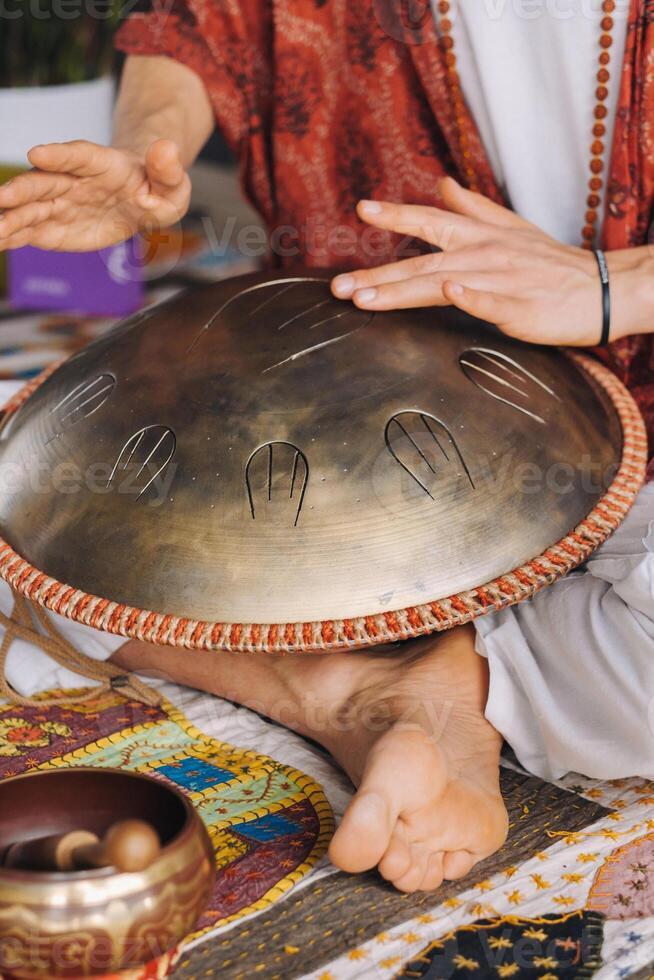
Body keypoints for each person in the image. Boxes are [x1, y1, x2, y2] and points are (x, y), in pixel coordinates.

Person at [0, 0, 653, 894]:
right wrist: (147, 151)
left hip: (632, 447)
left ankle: (422, 673)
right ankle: (362, 694)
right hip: (339, 429)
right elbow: (212, 23)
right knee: (33, 493)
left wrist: (621, 284)